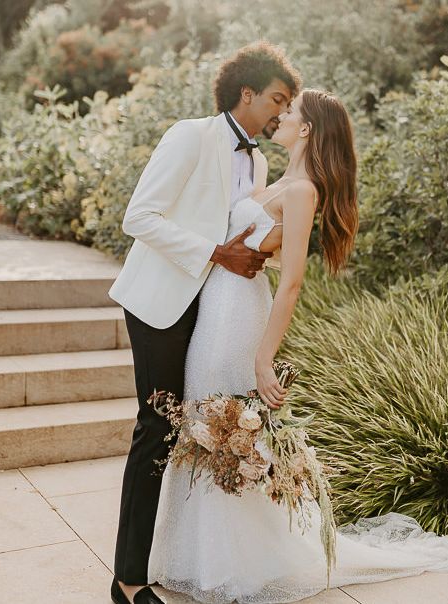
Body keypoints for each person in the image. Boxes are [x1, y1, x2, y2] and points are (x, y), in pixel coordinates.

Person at [147, 88, 448, 604]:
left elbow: (292, 282)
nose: (280, 115)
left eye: (290, 111)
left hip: (239, 313)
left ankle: (229, 565)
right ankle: (198, 555)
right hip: (216, 301)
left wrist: (264, 358)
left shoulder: (303, 190)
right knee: (206, 420)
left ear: (305, 129)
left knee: (223, 424)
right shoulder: (274, 176)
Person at [108, 42, 303, 604]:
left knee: (200, 433)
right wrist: (217, 253)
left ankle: (183, 555)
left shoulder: (260, 161)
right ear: (246, 93)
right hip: (162, 301)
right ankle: (127, 580)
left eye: (287, 105)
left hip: (217, 310)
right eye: (276, 100)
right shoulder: (189, 135)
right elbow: (138, 216)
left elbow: (243, 231)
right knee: (157, 428)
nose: (280, 113)